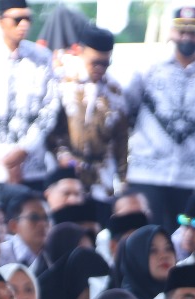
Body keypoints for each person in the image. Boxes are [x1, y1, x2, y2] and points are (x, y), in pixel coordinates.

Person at [124, 6, 195, 231]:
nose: (186, 37)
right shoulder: (148, 69)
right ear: (171, 32)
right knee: (147, 236)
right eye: (181, 31)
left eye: (193, 32)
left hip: (190, 178)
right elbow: (128, 110)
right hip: (147, 174)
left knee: (186, 237)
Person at [0, 1, 58, 186]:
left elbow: (50, 108)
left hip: (33, 168)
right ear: (1, 21)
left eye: (28, 19)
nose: (24, 24)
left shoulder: (42, 57)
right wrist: (5, 159)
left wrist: (24, 150)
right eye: (17, 19)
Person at [48, 24, 128, 205]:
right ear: (79, 51)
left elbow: (122, 139)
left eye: (105, 64)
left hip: (101, 178)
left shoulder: (114, 90)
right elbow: (49, 129)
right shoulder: (61, 81)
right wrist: (63, 156)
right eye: (95, 62)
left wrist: (123, 179)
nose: (100, 68)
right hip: (64, 175)